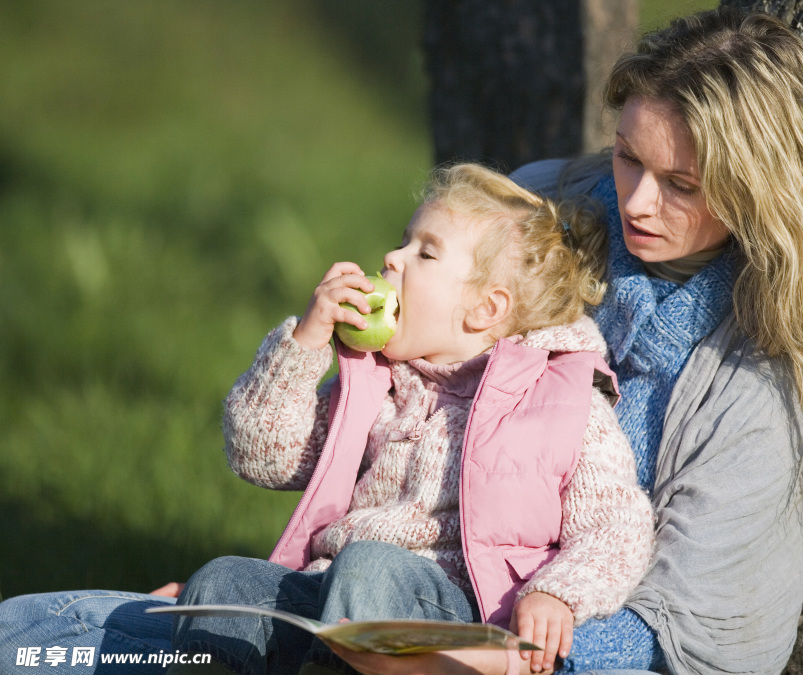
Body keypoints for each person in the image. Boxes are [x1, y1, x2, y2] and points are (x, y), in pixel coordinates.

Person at [0, 7, 803, 675]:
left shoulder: (753, 384)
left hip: (480, 636)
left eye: (682, 183)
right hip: (340, 606)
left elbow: (683, 624)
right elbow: (301, 440)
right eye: (628, 157)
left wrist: (517, 647)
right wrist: (227, 604)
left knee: (368, 585)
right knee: (29, 636)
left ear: (762, 191)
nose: (638, 202)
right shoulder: (543, 216)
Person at [167, 161, 654, 675]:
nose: (390, 258)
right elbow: (263, 455)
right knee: (219, 588)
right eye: (403, 241)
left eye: (424, 253)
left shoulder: (561, 404)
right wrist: (306, 342)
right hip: (333, 591)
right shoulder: (380, 385)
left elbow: (617, 527)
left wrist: (558, 593)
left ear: (485, 309)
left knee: (369, 568)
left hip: (457, 613)